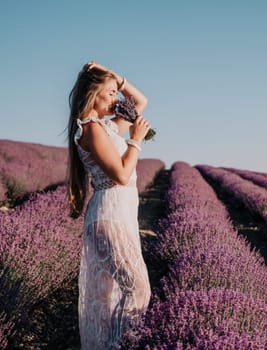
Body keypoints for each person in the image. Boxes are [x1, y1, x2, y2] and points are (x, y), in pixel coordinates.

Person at [66, 61, 152, 349]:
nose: (117, 99)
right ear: (93, 96)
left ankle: (111, 344)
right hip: (109, 216)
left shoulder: (107, 127)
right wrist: (136, 141)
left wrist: (114, 76)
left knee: (108, 297)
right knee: (138, 290)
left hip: (118, 216)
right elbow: (121, 175)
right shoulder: (90, 129)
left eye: (116, 93)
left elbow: (141, 101)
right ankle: (122, 345)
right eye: (110, 94)